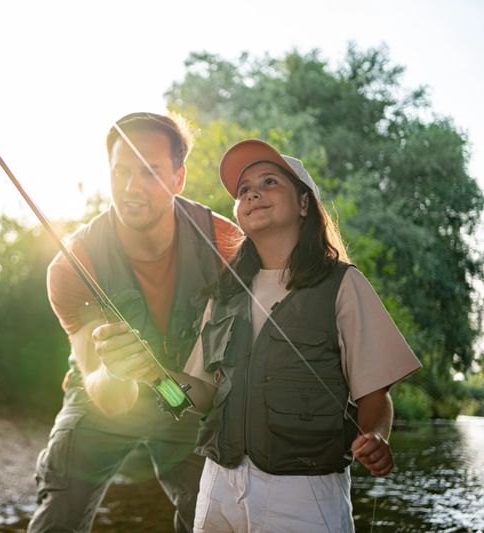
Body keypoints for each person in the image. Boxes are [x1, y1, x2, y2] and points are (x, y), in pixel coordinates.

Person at [93, 139, 422, 532]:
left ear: (304, 205)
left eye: (269, 182)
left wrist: (375, 437)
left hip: (305, 492)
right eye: (244, 188)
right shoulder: (223, 293)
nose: (252, 192)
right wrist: (151, 374)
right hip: (217, 486)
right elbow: (198, 395)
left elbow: (374, 392)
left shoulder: (344, 285)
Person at [28, 112, 243, 533]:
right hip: (103, 396)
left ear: (178, 178)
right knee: (61, 511)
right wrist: (115, 372)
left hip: (187, 394)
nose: (132, 188)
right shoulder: (72, 265)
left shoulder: (227, 245)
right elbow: (107, 396)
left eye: (150, 172)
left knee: (216, 512)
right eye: (121, 172)